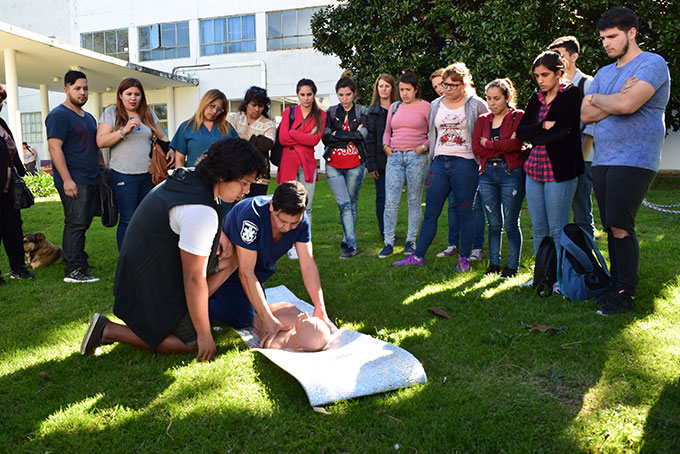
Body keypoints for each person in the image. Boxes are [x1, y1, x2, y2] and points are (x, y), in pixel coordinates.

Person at [80, 138, 267, 361]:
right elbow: (193, 279)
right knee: (193, 342)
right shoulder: (199, 209)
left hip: (141, 274)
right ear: (223, 175)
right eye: (244, 183)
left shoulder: (192, 178)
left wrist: (221, 235)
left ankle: (180, 316)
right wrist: (205, 334)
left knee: (231, 258)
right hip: (146, 289)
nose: (247, 190)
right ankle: (107, 330)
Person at [581, 7, 671, 315]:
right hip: (604, 157)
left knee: (621, 224)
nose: (606, 43)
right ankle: (613, 284)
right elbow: (584, 113)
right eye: (603, 38)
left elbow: (629, 104)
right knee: (609, 225)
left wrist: (608, 101)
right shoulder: (605, 73)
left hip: (635, 158)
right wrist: (616, 99)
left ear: (631, 33)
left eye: (612, 37)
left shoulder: (652, 63)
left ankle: (625, 293)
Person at [208, 181, 331, 348]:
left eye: (293, 223)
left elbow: (308, 264)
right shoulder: (251, 216)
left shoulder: (301, 223)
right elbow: (245, 272)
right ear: (272, 206)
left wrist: (320, 307)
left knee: (259, 314)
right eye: (282, 221)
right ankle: (195, 301)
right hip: (224, 269)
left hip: (254, 272)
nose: (287, 228)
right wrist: (267, 318)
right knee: (243, 318)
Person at [393, 63, 487, 271]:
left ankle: (464, 258)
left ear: (464, 85)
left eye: (453, 85)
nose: (448, 89)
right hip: (440, 161)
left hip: (465, 162)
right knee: (431, 212)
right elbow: (431, 133)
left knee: (465, 211)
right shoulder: (436, 104)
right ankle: (418, 256)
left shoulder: (475, 104)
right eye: (445, 84)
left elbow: (487, 127)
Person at [517, 51, 584, 262]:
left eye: (545, 75)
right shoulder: (535, 98)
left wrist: (535, 135)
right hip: (534, 168)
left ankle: (561, 278)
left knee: (558, 228)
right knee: (538, 228)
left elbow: (563, 130)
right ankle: (541, 275)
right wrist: (543, 126)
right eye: (537, 76)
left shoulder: (571, 94)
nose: (540, 80)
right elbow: (521, 132)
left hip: (560, 169)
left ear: (559, 73)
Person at [96, 78, 173, 250]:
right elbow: (100, 141)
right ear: (120, 95)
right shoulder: (111, 112)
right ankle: (126, 259)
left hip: (148, 174)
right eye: (129, 94)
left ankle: (143, 256)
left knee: (146, 217)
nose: (133, 98)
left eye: (137, 94)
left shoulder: (148, 113)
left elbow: (162, 137)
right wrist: (124, 130)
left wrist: (171, 149)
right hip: (123, 174)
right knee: (128, 218)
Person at [46, 70, 105, 283]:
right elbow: (55, 147)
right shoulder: (59, 115)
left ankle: (80, 260)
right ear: (66, 90)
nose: (82, 93)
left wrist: (101, 169)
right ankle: (73, 271)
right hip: (73, 179)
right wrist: (67, 180)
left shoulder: (88, 117)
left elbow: (95, 146)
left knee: (83, 222)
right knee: (75, 223)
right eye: (77, 88)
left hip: (90, 178)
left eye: (85, 88)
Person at [472, 79, 525, 278]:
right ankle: (494, 264)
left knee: (511, 223)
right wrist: (502, 143)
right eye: (488, 99)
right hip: (486, 173)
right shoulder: (483, 119)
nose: (492, 103)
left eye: (497, 99)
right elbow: (476, 147)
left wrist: (491, 145)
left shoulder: (517, 116)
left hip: (510, 172)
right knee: (493, 223)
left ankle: (512, 266)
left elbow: (516, 144)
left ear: (507, 98)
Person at [379, 70, 430, 258]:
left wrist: (424, 147)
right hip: (395, 157)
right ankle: (388, 242)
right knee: (391, 201)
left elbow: (434, 133)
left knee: (414, 201)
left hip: (417, 157)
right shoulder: (394, 107)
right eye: (401, 89)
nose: (404, 93)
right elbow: (387, 131)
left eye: (408, 89)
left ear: (416, 89)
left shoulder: (426, 107)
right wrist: (385, 146)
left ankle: (410, 241)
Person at [549, 35, 596, 238]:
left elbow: (592, 126)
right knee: (555, 214)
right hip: (554, 159)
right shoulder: (551, 86)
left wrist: (580, 158)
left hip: (581, 160)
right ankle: (559, 262)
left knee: (582, 214)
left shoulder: (587, 84)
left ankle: (588, 263)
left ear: (574, 56)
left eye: (560, 55)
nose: (556, 60)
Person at [276, 79, 326, 259]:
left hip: (307, 164)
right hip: (289, 164)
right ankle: (289, 245)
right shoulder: (289, 111)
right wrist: (303, 136)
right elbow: (282, 139)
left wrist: (293, 134)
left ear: (314, 95)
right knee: (287, 205)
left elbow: (315, 140)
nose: (306, 98)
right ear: (297, 95)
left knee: (307, 206)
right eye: (302, 95)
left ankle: (304, 243)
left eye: (309, 94)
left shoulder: (320, 115)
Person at [321, 72, 369, 259]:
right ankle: (352, 244)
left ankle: (347, 239)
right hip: (333, 164)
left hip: (356, 163)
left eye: (348, 94)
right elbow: (325, 137)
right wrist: (348, 135)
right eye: (341, 95)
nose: (344, 98)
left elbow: (362, 135)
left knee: (351, 203)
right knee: (344, 204)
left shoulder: (362, 111)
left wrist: (337, 134)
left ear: (354, 94)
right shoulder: (331, 112)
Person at [0, 85, 36, 285]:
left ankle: (18, 268)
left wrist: (21, 174)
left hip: (9, 190)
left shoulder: (2, 123)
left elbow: (11, 151)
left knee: (13, 230)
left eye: (1, 101)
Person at [365, 73, 398, 240]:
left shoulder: (400, 108)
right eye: (381, 86)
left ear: (392, 88)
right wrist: (371, 165)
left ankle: (391, 230)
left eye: (387, 86)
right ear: (377, 89)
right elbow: (369, 140)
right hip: (380, 161)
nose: (384, 89)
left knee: (394, 198)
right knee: (382, 197)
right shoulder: (372, 112)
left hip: (399, 158)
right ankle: (384, 231)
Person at [227, 86, 276, 197]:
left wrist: (241, 138)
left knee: (254, 208)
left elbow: (267, 144)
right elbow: (225, 138)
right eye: (253, 105)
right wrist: (255, 140)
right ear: (246, 104)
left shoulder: (268, 124)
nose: (257, 109)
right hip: (235, 172)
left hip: (259, 177)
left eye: (261, 106)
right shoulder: (233, 118)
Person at [171, 89, 238, 167]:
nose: (214, 111)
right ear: (204, 103)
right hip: (194, 177)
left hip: (222, 177)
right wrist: (180, 177)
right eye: (212, 106)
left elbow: (238, 155)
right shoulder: (186, 127)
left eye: (219, 109)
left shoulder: (228, 128)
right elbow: (179, 159)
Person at [254, 302, 331, 351]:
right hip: (278, 309)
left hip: (265, 315)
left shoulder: (279, 343)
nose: (306, 313)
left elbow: (266, 344)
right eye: (311, 316)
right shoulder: (301, 333)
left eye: (304, 321)